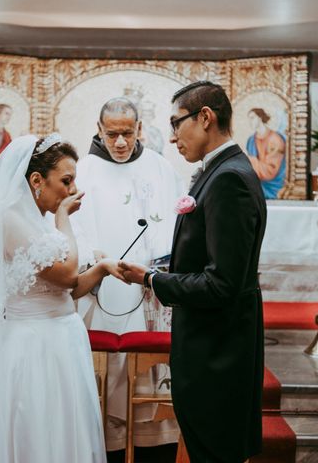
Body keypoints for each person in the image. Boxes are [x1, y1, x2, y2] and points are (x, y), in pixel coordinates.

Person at [0, 133, 122, 463]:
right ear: (36, 180)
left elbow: (68, 290)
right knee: (35, 437)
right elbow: (67, 273)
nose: (72, 190)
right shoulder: (11, 219)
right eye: (66, 181)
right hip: (33, 347)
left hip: (63, 341)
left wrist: (101, 268)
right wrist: (63, 220)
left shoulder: (40, 218)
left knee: (63, 436)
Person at [120, 81, 267, 463]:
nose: (171, 138)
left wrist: (152, 280)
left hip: (216, 354)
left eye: (176, 124)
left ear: (205, 118)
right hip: (216, 346)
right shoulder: (221, 171)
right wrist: (168, 266)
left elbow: (222, 284)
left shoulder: (228, 179)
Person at [72, 97, 184, 451]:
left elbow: (175, 221)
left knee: (142, 365)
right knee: (102, 365)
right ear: (98, 130)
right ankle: (103, 439)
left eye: (127, 133)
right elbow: (71, 225)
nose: (120, 142)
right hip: (100, 284)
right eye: (111, 134)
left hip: (146, 285)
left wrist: (160, 265)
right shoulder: (84, 170)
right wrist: (93, 258)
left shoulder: (160, 167)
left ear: (139, 129)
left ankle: (148, 440)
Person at [246, 107, 286, 199]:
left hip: (273, 187)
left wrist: (249, 160)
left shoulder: (275, 139)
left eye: (252, 118)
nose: (250, 122)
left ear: (260, 118)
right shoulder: (251, 140)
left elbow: (270, 171)